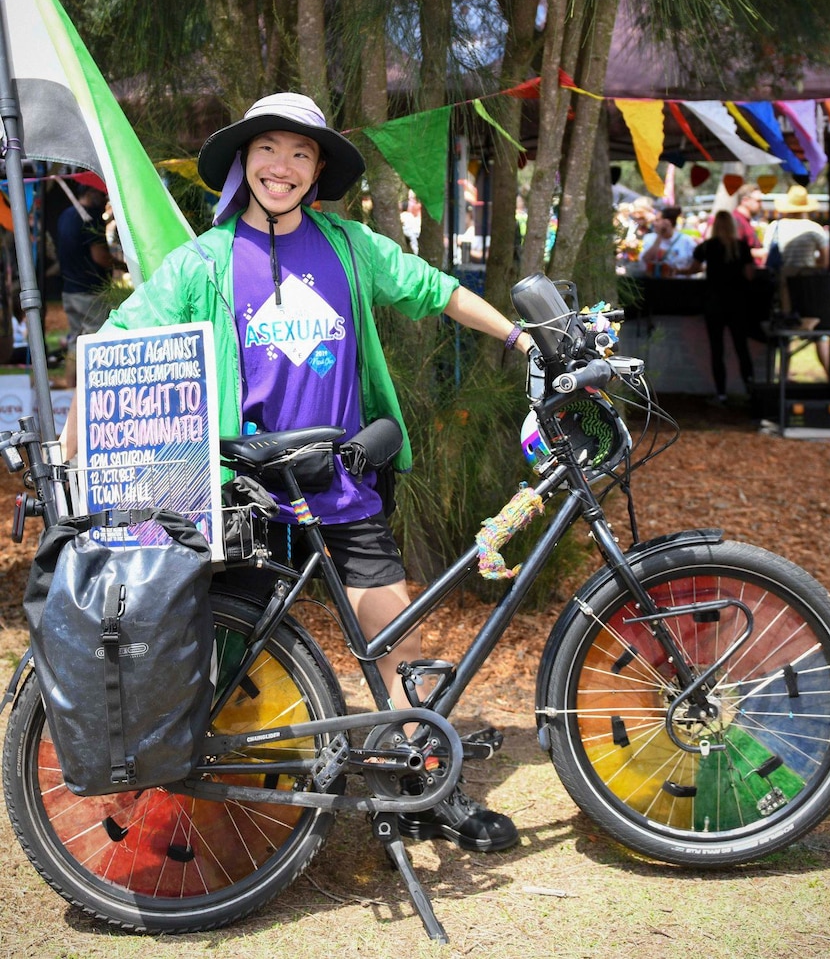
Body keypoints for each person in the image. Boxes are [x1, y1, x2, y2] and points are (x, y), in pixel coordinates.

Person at [61, 92, 533, 853]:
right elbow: (118, 341)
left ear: (316, 172)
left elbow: (435, 288)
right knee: (226, 658)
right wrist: (74, 451)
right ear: (245, 161)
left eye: (301, 153)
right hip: (243, 495)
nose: (282, 166)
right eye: (268, 150)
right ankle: (219, 808)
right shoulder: (204, 262)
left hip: (339, 484)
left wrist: (518, 337)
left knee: (396, 637)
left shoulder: (348, 247)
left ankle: (423, 785)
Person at [686, 210, 755, 404]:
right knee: (741, 347)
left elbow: (693, 269)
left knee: (717, 349)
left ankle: (721, 393)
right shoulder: (741, 246)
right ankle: (750, 390)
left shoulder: (707, 247)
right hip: (737, 302)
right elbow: (750, 274)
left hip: (714, 302)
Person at [762, 183, 830, 369]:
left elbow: (769, 255)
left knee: (785, 335)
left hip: (782, 289)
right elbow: (825, 262)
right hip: (809, 291)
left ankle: (783, 376)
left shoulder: (775, 227)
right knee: (820, 335)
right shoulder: (815, 229)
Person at [55, 182, 115, 386]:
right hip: (91, 293)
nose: (105, 198)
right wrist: (123, 266)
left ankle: (70, 384)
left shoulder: (65, 215)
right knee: (97, 341)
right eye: (101, 193)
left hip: (70, 290)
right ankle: (95, 388)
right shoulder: (89, 218)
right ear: (90, 192)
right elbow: (100, 257)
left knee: (75, 340)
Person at [639, 206, 696, 277]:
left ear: (668, 222)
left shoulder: (687, 241)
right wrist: (659, 236)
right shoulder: (649, 238)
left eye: (657, 220)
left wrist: (678, 271)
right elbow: (646, 260)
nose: (654, 223)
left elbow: (698, 267)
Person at [732, 184, 765, 264]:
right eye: (758, 201)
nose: (761, 205)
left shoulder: (744, 221)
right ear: (745, 201)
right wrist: (758, 253)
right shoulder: (736, 221)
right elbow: (733, 250)